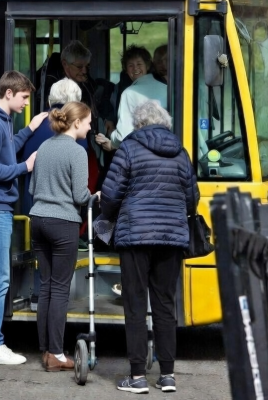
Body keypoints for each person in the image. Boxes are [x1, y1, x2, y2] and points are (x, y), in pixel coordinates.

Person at [100, 100, 199, 394]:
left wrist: (108, 217)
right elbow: (192, 199)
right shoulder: (181, 152)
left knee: (135, 304)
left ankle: (137, 376)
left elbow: (111, 195)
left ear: (139, 124)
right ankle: (167, 375)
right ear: (164, 123)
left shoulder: (129, 148)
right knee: (165, 304)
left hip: (135, 236)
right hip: (171, 238)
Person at [0, 71, 47, 366]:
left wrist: (29, 129)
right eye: (24, 97)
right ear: (8, 93)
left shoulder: (0, 120)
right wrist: (24, 167)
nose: (26, 103)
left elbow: (5, 151)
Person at [29, 102, 100, 372]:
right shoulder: (77, 151)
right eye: (88, 122)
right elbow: (80, 196)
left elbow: (33, 188)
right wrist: (96, 196)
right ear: (77, 122)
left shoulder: (45, 146)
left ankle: (46, 350)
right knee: (60, 289)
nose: (90, 127)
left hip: (38, 220)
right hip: (63, 223)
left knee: (46, 287)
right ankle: (57, 354)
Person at [20, 77, 86, 215]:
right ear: (77, 104)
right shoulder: (75, 128)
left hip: (33, 208)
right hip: (64, 212)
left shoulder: (35, 124)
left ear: (49, 101)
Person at [96, 46, 167, 151]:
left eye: (139, 64)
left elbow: (123, 135)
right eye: (130, 65)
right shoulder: (166, 88)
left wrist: (112, 140)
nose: (135, 68)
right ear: (126, 70)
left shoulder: (129, 93)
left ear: (147, 66)